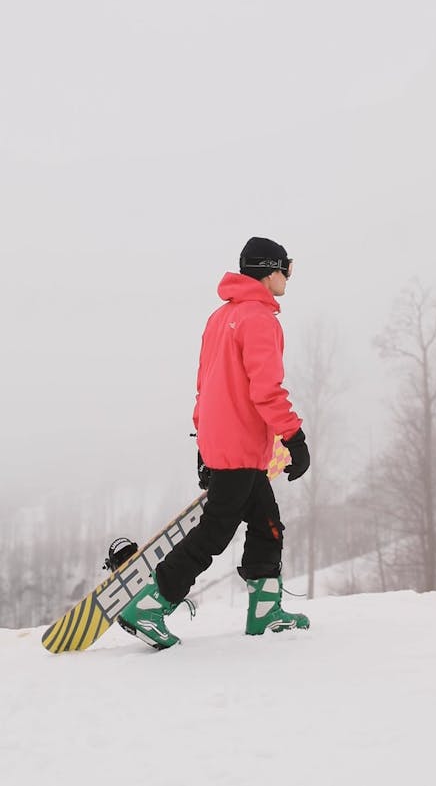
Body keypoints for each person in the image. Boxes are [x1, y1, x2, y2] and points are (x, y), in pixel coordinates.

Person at [119, 236, 311, 649]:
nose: (289, 277)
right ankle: (151, 605)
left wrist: (204, 447)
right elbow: (266, 390)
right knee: (214, 534)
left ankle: (265, 611)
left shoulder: (219, 318)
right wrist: (294, 436)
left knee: (267, 525)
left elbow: (205, 387)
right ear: (270, 269)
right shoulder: (261, 320)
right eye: (288, 268)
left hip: (226, 445)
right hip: (241, 448)